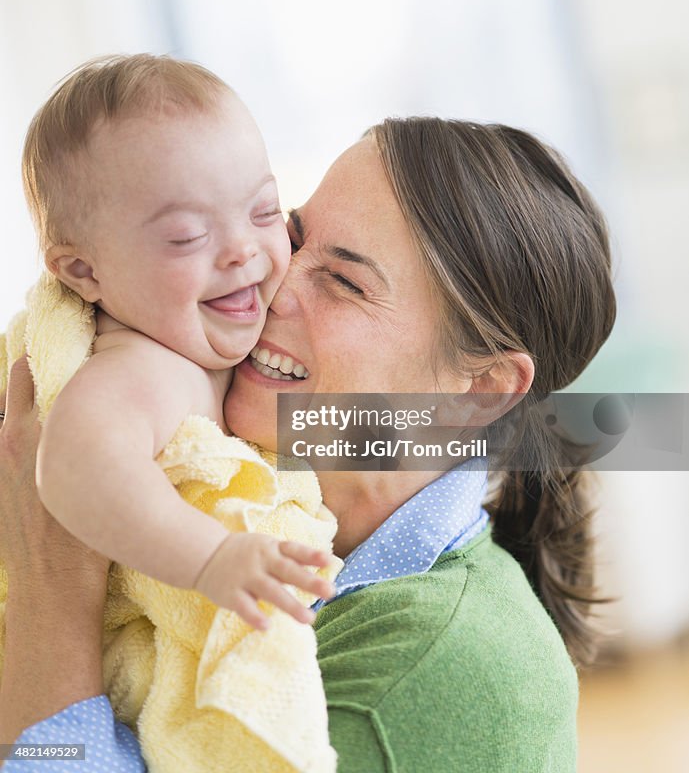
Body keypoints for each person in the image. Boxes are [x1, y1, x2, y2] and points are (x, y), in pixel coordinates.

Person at [0, 117, 616, 772]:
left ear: (481, 390)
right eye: (290, 237)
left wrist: (54, 578)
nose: (269, 286)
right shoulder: (202, 479)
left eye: (345, 283)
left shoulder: (438, 667)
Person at [14, 54, 334, 628]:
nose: (242, 248)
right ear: (85, 273)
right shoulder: (141, 368)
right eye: (188, 236)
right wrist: (210, 556)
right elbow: (74, 466)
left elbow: (391, 429)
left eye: (265, 210)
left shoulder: (202, 336)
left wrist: (529, 431)